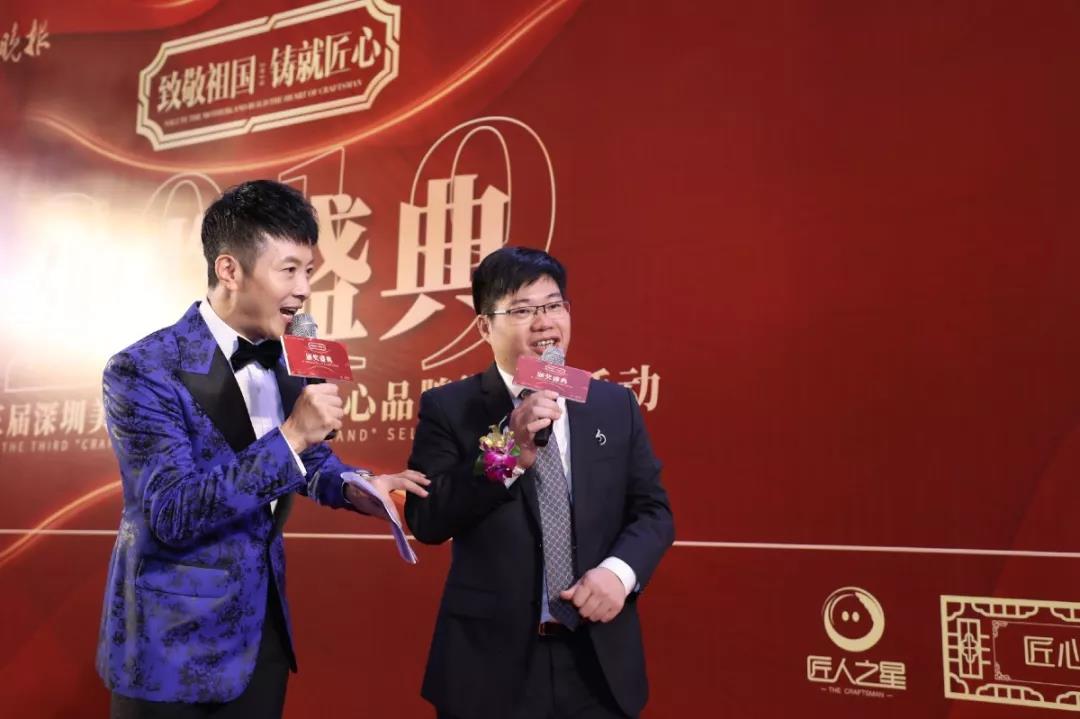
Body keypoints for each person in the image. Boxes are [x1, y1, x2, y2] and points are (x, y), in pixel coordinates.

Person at [96, 180, 429, 719]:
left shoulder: (286, 356)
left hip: (261, 638)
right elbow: (174, 510)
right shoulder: (143, 368)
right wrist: (293, 434)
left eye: (309, 271)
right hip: (170, 646)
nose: (303, 289)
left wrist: (354, 487)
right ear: (230, 270)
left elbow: (306, 463)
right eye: (288, 270)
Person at [405, 246, 674, 719]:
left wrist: (619, 574)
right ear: (484, 327)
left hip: (598, 662)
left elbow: (653, 511)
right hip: (490, 667)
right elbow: (427, 519)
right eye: (522, 310)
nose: (544, 322)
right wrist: (508, 450)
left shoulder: (612, 404)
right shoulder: (450, 407)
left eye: (553, 305)